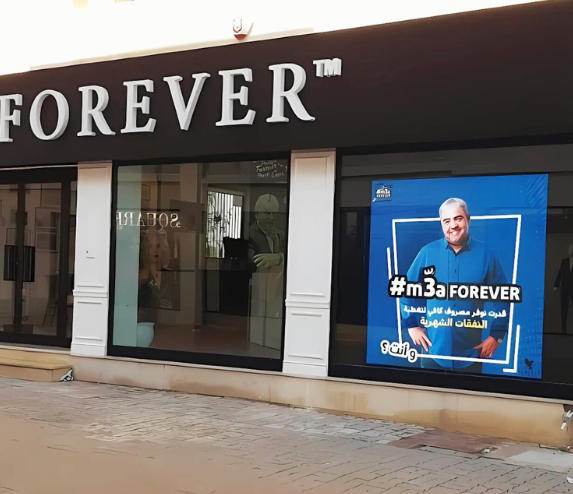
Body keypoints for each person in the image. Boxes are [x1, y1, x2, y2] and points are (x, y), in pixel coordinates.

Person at [401, 197, 509, 372]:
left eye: (458, 218)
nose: (453, 225)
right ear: (442, 224)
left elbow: (504, 297)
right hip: (433, 354)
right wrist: (411, 324)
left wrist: (497, 336)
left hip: (471, 356)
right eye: (446, 221)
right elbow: (405, 289)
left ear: (468, 220)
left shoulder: (488, 255)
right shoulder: (427, 253)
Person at [138, 228, 178, 313]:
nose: (155, 250)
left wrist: (172, 308)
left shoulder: (171, 275)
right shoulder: (140, 276)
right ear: (145, 249)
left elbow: (178, 302)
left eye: (158, 246)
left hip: (168, 318)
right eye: (150, 246)